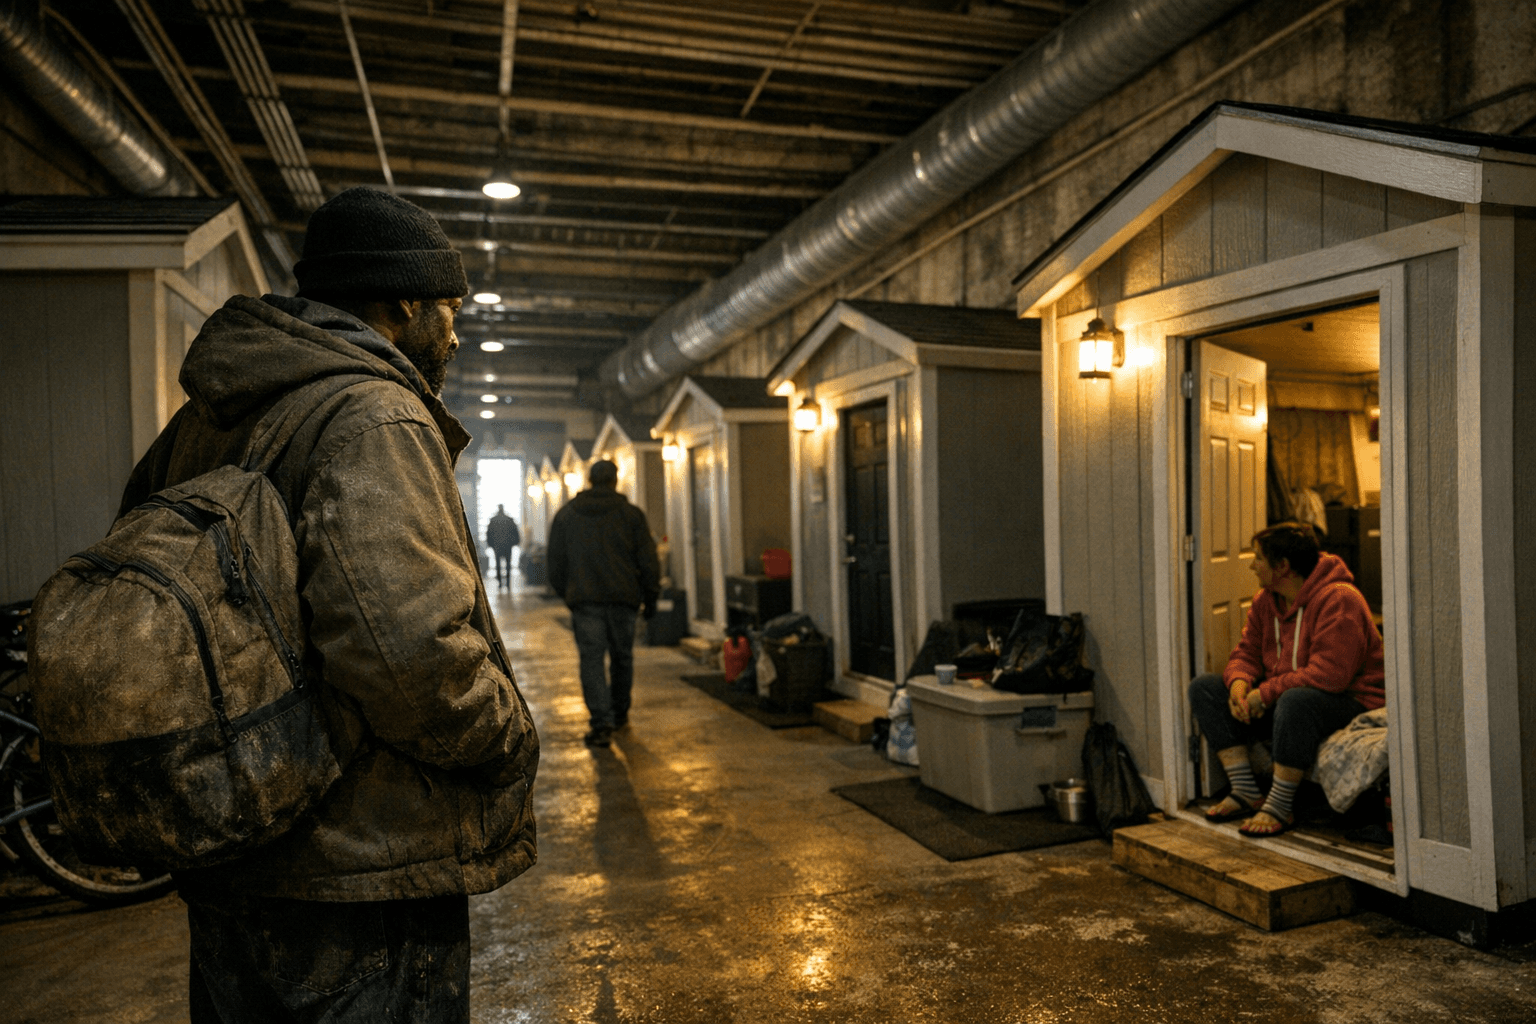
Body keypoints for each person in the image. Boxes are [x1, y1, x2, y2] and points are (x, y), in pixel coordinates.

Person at [117, 186, 540, 1022]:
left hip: (236, 825)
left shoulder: (206, 418)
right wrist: (507, 733)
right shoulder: (372, 415)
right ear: (404, 301)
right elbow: (413, 654)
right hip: (358, 859)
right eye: (448, 309)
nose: (454, 333)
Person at [1188, 521, 1384, 837]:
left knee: (1296, 700)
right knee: (1205, 688)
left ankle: (1280, 805)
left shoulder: (1340, 599)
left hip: (1351, 700)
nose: (1252, 565)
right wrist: (1240, 685)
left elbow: (1330, 675)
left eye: (1258, 558)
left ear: (1283, 567)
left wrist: (1265, 694)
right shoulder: (1267, 601)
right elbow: (1246, 653)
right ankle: (1245, 790)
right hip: (1289, 700)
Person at [545, 459, 660, 748]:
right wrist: (651, 597)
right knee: (623, 658)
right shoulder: (632, 516)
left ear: (589, 480)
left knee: (592, 661)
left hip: (585, 601)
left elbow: (555, 564)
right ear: (615, 481)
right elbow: (648, 561)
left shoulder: (566, 515)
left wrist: (568, 593)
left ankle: (601, 723)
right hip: (624, 600)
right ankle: (619, 714)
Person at [486, 503, 521, 589]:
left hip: (497, 546)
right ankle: (508, 583)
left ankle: (500, 583)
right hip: (507, 546)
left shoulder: (493, 520)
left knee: (498, 564)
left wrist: (490, 544)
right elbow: (515, 532)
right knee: (508, 564)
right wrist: (516, 542)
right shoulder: (509, 520)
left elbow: (489, 533)